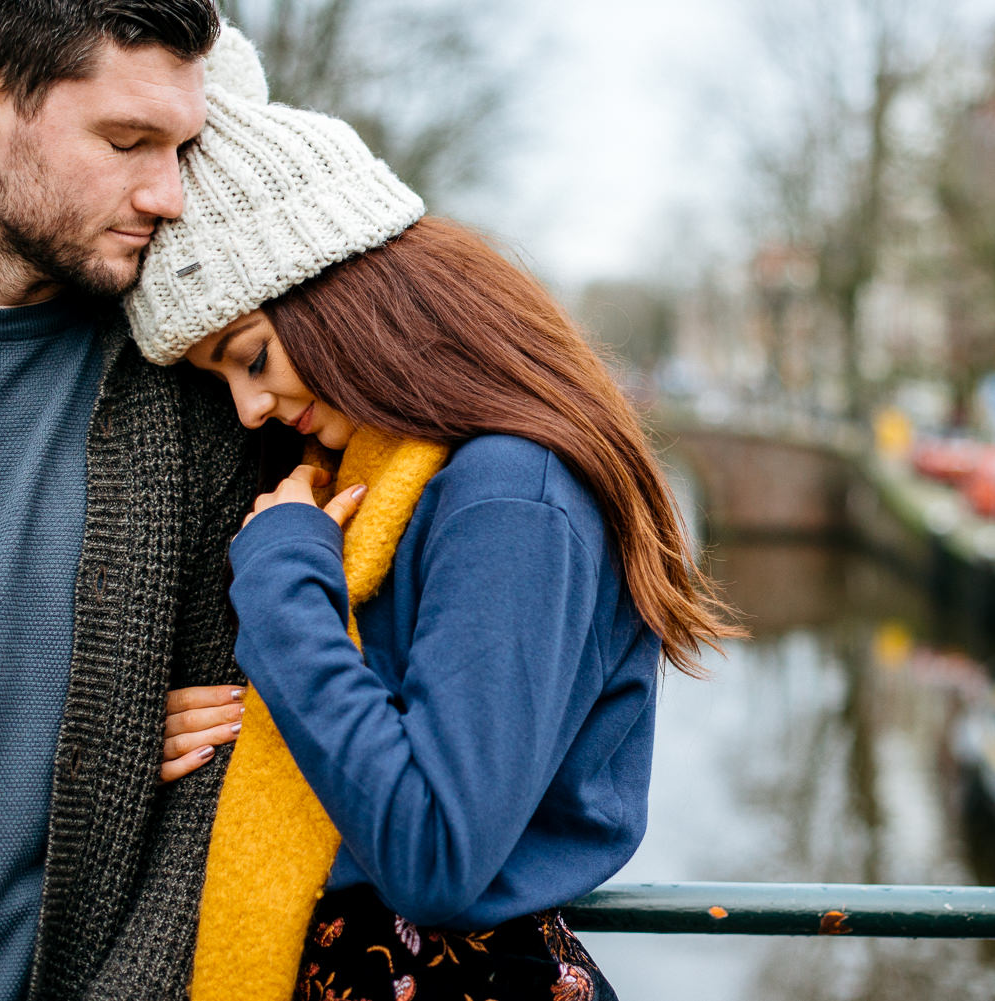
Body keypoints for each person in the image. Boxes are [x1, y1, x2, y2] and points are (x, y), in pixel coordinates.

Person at [127, 27, 741, 1001]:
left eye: (248, 356)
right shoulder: (398, 478)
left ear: (341, 297)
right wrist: (223, 733)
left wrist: (286, 585)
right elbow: (385, 726)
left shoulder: (509, 493)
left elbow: (437, 852)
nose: (248, 408)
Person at [0, 2, 256, 998]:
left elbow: (221, 776)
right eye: (127, 141)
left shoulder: (190, 385)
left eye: (180, 149)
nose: (170, 194)